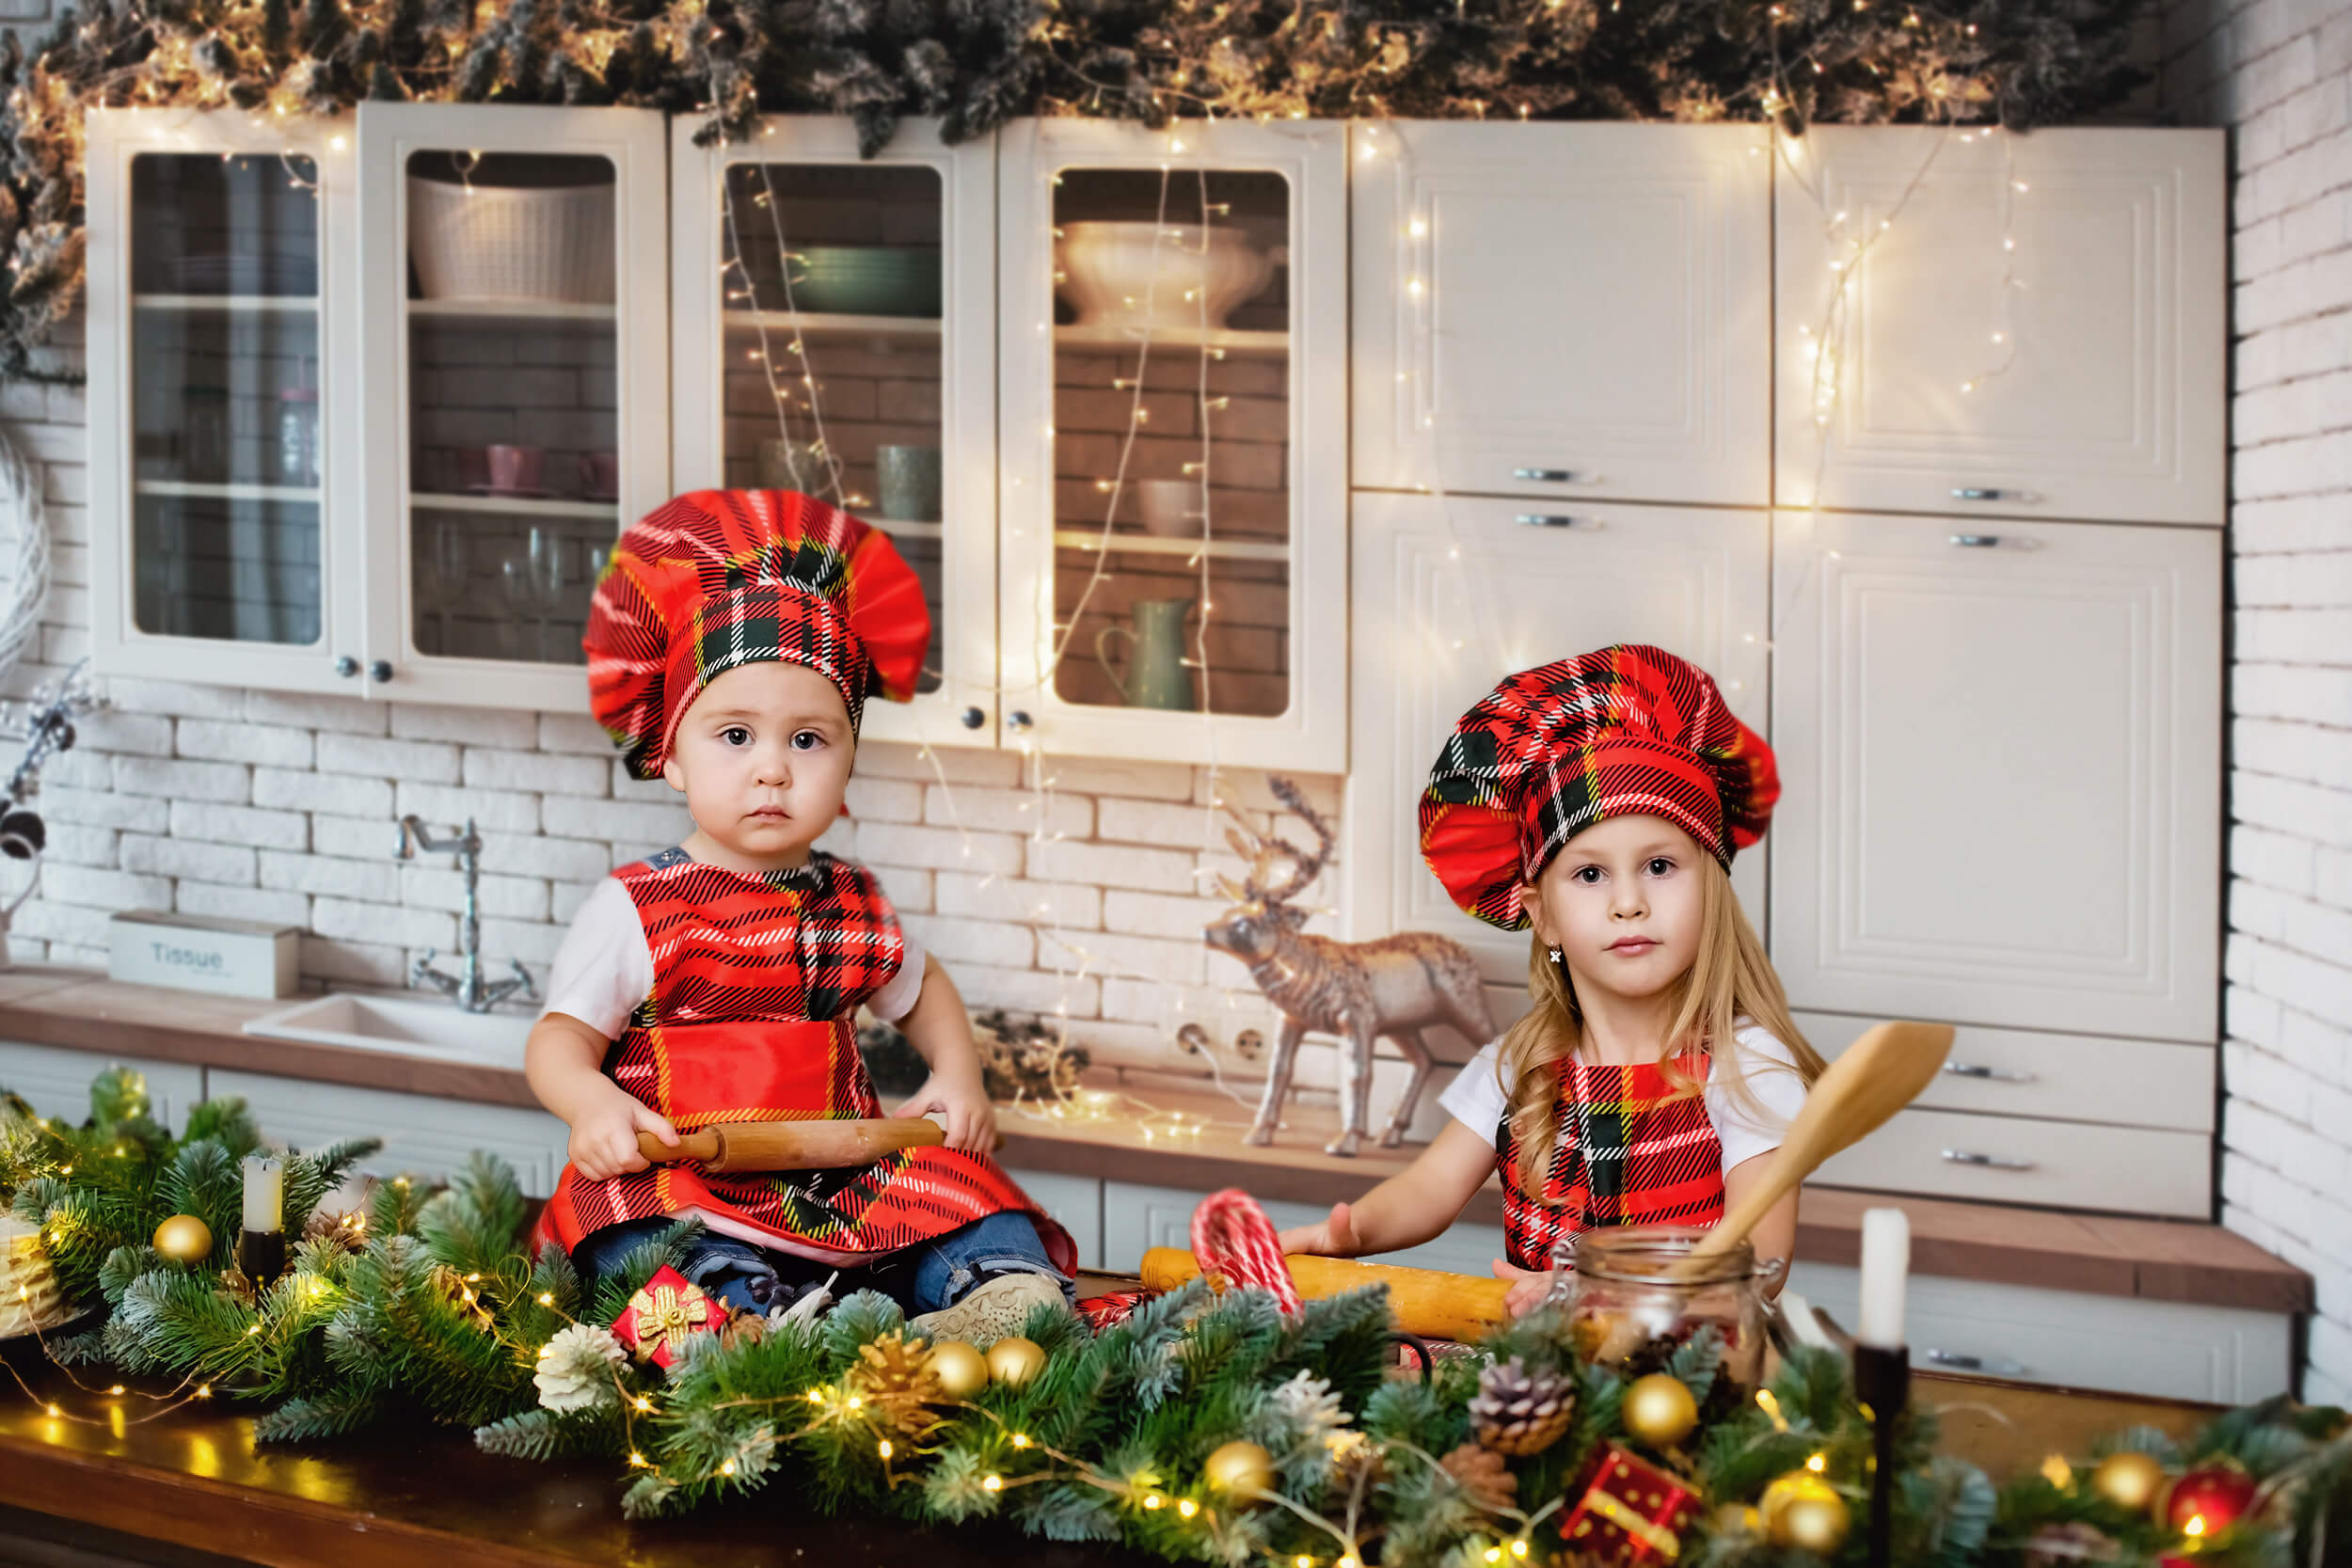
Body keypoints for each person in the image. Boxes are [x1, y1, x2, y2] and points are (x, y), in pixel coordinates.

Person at [526, 489, 1074, 1345]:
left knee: (968, 1186)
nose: (773, 770)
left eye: (808, 740)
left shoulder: (852, 898)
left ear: (849, 759)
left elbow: (924, 991)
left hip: (841, 1169)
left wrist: (957, 1077)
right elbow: (558, 1041)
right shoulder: (634, 907)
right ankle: (743, 1323)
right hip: (687, 1175)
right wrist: (593, 1104)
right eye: (735, 736)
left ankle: (994, 1293)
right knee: (620, 1234)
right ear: (670, 753)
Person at [1277, 644, 1821, 1315]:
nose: (1629, 902)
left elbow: (1761, 1260)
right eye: (1590, 874)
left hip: (1689, 1393)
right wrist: (1352, 1230)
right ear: (1545, 917)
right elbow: (1427, 1190)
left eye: (1659, 865)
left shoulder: (1747, 1066)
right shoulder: (1521, 1066)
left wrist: (1595, 1292)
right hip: (1532, 1390)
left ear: (1712, 887)